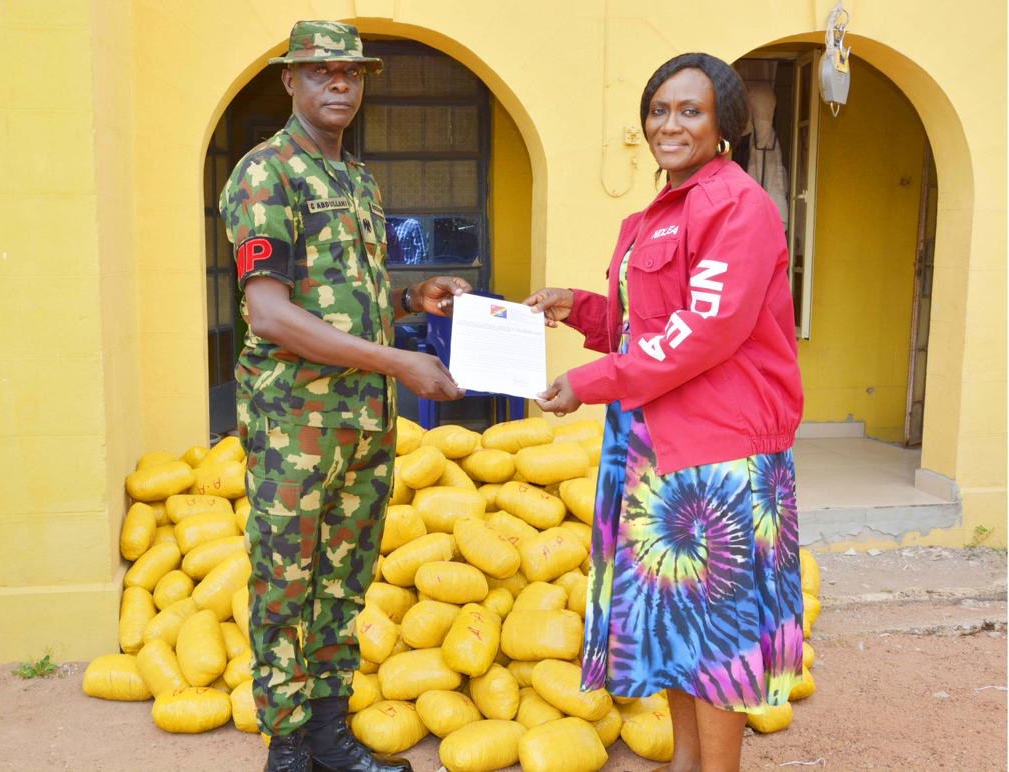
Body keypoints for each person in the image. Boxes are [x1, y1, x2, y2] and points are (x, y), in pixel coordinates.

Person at [525, 52, 804, 772]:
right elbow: (649, 322)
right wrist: (577, 308)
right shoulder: (660, 212)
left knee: (715, 639)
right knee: (678, 627)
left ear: (725, 126)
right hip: (655, 442)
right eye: (658, 110)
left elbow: (705, 329)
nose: (668, 124)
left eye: (690, 111)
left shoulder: (737, 206)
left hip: (719, 455)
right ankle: (684, 760)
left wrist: (589, 382)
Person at [219, 20, 468, 772]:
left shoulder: (356, 180)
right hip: (295, 423)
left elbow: (343, 301)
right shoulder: (267, 174)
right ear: (289, 80)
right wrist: (398, 362)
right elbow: (270, 313)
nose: (339, 85)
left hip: (361, 425)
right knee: (285, 583)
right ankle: (288, 745)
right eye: (322, 72)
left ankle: (329, 731)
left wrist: (411, 301)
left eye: (352, 74)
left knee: (343, 578)